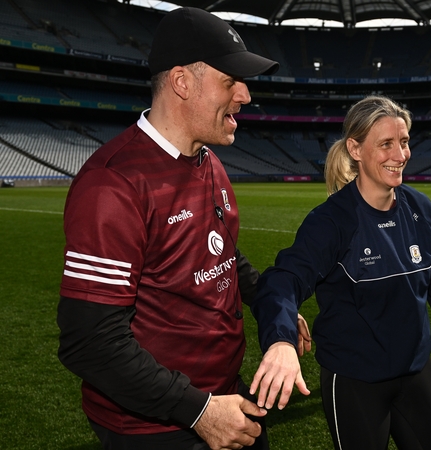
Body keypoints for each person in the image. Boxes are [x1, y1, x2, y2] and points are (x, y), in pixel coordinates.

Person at [56, 7, 294, 449]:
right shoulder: (114, 183)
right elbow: (89, 341)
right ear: (182, 83)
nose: (245, 94)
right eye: (230, 81)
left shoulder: (210, 161)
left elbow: (219, 253)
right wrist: (198, 410)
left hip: (226, 398)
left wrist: (267, 303)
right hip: (158, 427)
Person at [248, 95, 431, 449]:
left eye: (403, 142)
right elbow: (283, 280)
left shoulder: (421, 208)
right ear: (355, 149)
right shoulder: (331, 221)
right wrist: (280, 340)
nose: (400, 155)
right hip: (355, 379)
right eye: (386, 144)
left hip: (416, 370)